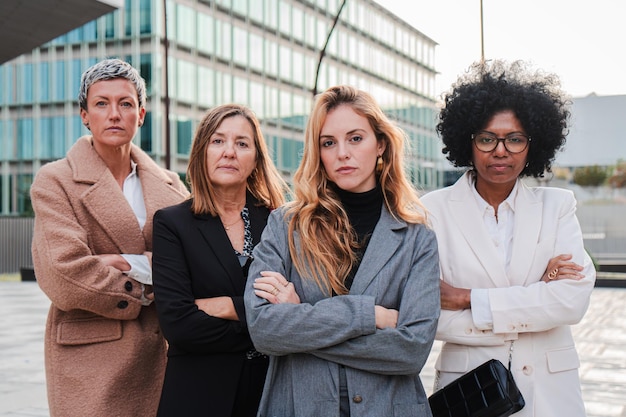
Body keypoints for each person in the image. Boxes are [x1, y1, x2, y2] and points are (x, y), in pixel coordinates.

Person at [244, 85, 441, 417]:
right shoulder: (286, 226)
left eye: (355, 138)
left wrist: (302, 319)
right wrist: (370, 316)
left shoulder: (416, 237)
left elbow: (411, 351)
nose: (342, 153)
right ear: (317, 151)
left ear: (380, 144)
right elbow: (264, 330)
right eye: (328, 143)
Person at [421, 60, 596, 416]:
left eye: (515, 139)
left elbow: (571, 303)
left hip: (552, 396)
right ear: (467, 142)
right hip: (473, 393)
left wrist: (468, 298)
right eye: (487, 138)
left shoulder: (558, 206)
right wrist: (536, 298)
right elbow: (428, 316)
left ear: (533, 145)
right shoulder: (430, 211)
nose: (501, 151)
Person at [30, 58, 189, 417]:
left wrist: (116, 262)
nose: (114, 114)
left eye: (125, 103)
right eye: (101, 103)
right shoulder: (56, 180)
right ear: (84, 114)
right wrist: (154, 276)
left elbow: (191, 266)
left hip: (164, 353)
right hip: (91, 357)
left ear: (142, 114)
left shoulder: (171, 185)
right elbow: (64, 274)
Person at [151, 104, 288, 417]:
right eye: (218, 141)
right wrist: (263, 321)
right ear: (202, 152)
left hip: (270, 394)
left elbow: (299, 311)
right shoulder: (172, 224)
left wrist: (228, 307)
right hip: (198, 395)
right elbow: (179, 326)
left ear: (255, 159)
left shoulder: (279, 222)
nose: (229, 152)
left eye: (242, 143)